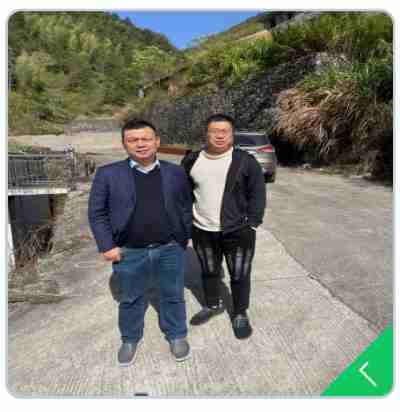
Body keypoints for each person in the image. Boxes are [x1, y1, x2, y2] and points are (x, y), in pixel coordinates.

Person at [88, 119, 192, 366]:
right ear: (124, 144)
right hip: (129, 251)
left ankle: (177, 334)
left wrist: (184, 236)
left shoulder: (175, 172)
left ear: (157, 142)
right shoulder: (108, 174)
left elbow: (185, 205)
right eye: (133, 140)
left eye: (146, 139)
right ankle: (130, 338)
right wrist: (107, 246)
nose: (140, 144)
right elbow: (97, 213)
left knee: (173, 294)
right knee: (130, 298)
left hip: (169, 248)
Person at [181, 113, 266, 339]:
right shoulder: (191, 160)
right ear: (206, 133)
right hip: (202, 230)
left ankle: (239, 313)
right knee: (209, 270)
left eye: (225, 131)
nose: (219, 135)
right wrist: (187, 222)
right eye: (214, 131)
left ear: (232, 134)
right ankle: (213, 304)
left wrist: (253, 223)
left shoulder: (245, 161)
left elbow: (258, 193)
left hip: (238, 231)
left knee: (239, 274)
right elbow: (184, 194)